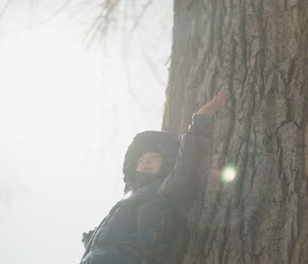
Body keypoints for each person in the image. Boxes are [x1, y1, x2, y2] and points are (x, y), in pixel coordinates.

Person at [80, 91, 228, 264]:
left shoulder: (166, 187)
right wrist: (90, 239)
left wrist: (201, 121)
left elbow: (189, 164)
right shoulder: (128, 199)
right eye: (141, 160)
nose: (146, 161)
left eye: (154, 157)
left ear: (166, 163)